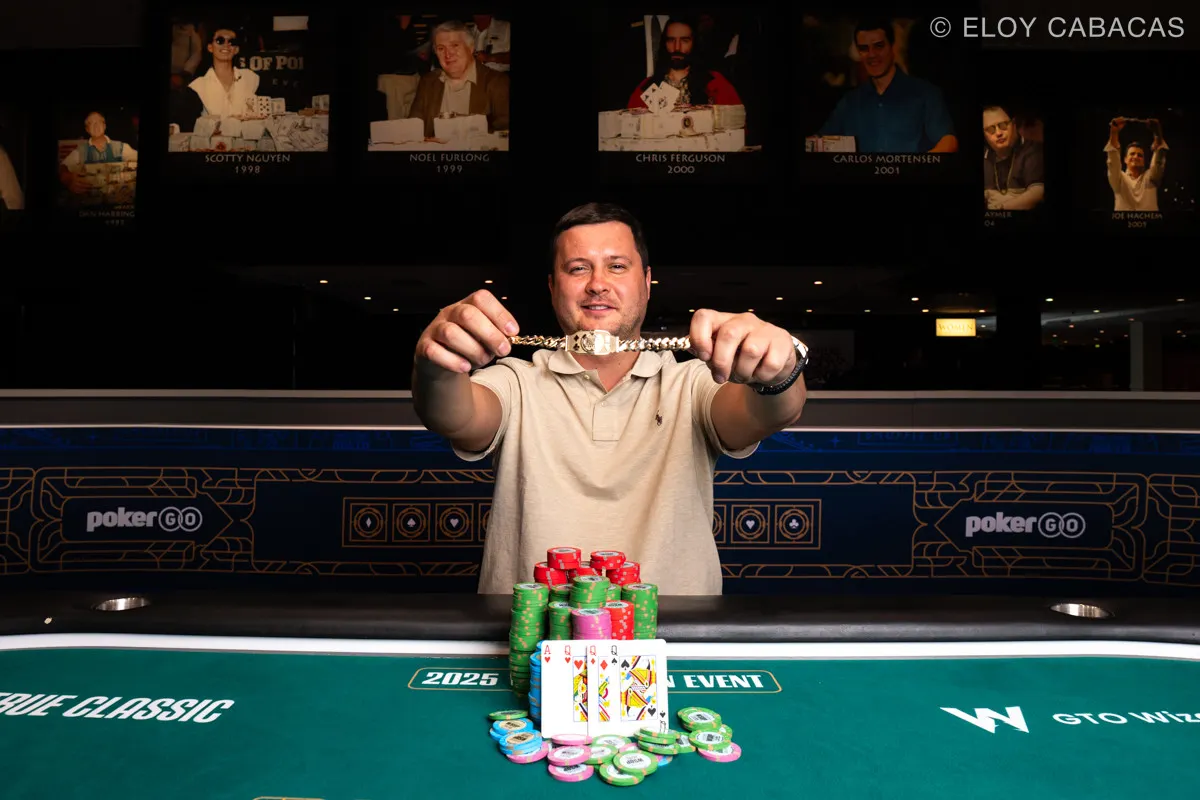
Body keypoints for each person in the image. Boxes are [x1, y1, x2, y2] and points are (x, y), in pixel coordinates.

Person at [412, 203, 808, 596]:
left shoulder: (691, 384)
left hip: (676, 631)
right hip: (533, 630)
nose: (597, 284)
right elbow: (452, 416)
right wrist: (434, 366)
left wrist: (780, 370)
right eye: (577, 268)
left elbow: (771, 412)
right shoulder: (517, 382)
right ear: (552, 287)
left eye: (617, 266)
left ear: (646, 282)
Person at [816, 18, 956, 153]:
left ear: (892, 47)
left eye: (879, 46)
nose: (872, 55)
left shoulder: (926, 94)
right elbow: (818, 141)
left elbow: (949, 142)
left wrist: (915, 166)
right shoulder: (850, 102)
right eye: (864, 48)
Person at [407, 20, 510, 138]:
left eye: (455, 45)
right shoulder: (428, 82)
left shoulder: (497, 82)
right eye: (441, 48)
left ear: (471, 48)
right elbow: (413, 128)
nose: (448, 54)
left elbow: (504, 135)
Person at [627, 16, 741, 108]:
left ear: (694, 43)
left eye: (684, 40)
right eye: (671, 40)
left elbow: (736, 123)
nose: (677, 47)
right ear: (664, 44)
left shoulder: (715, 83)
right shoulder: (646, 88)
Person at [982, 105, 1044, 210]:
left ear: (1014, 124)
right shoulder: (985, 156)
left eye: (1003, 125)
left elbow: (1038, 193)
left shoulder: (1033, 149)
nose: (998, 133)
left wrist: (1001, 209)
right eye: (991, 129)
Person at [1106, 116, 1168, 211]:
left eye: (1140, 155)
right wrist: (1114, 133)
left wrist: (1157, 134)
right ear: (1125, 159)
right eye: (1132, 154)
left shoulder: (1151, 177)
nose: (1135, 157)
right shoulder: (1118, 178)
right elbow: (1113, 161)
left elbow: (1159, 160)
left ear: (1144, 161)